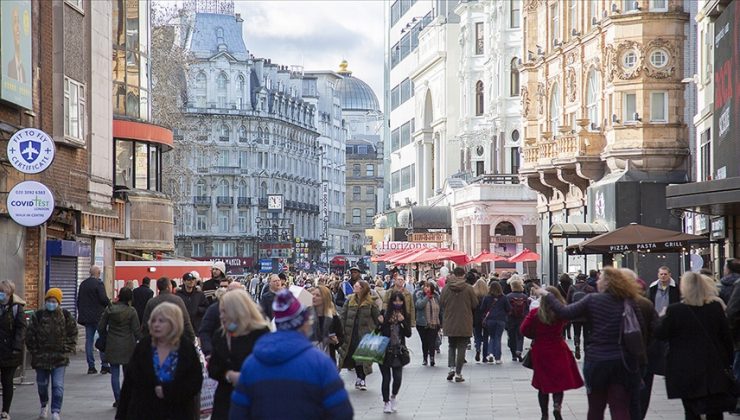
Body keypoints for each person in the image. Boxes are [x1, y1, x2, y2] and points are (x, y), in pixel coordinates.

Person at [531, 267, 647, 420]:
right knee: (619, 406)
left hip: (597, 360)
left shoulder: (592, 299)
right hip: (622, 360)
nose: (597, 281)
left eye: (600, 279)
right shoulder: (628, 301)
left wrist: (547, 295)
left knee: (596, 407)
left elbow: (565, 312)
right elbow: (641, 329)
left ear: (606, 283)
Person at [229, 289, 354, 419]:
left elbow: (237, 413)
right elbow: (342, 412)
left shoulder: (252, 363)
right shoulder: (320, 364)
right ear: (304, 324)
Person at [655, 271, 734, 420]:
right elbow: (726, 337)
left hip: (685, 366)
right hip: (712, 364)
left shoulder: (675, 310)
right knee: (714, 408)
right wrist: (727, 361)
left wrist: (662, 317)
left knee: (690, 409)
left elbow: (660, 334)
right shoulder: (714, 308)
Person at [116, 302, 202, 420]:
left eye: (161, 321)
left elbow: (194, 382)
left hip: (177, 412)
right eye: (154, 320)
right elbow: (128, 385)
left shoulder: (185, 348)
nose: (156, 325)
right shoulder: (144, 346)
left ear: (173, 323)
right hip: (143, 412)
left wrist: (169, 391)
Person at [521, 286, 584, 420]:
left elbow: (523, 330)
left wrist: (535, 335)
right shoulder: (560, 315)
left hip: (541, 349)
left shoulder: (535, 313)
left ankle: (544, 414)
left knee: (542, 383)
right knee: (558, 381)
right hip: (558, 347)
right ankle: (557, 406)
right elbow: (567, 321)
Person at [208, 290, 270, 420]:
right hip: (226, 401)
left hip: (254, 400)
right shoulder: (221, 336)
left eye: (224, 311)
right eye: (221, 312)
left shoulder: (261, 334)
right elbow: (213, 368)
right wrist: (228, 375)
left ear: (237, 310)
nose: (221, 316)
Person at [25, 288, 77, 420]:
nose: (51, 303)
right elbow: (30, 334)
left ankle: (55, 410)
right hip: (41, 358)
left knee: (57, 385)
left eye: (54, 301)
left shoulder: (65, 315)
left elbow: (73, 333)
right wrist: (35, 351)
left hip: (59, 358)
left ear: (59, 302)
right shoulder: (38, 315)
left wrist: (66, 348)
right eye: (49, 300)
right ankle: (44, 405)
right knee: (42, 384)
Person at [97, 287, 140, 408]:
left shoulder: (109, 309)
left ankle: (118, 399)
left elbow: (101, 327)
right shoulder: (131, 311)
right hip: (128, 346)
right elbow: (136, 330)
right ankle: (127, 398)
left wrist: (105, 336)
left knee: (114, 374)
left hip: (112, 344)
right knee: (128, 375)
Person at [338, 280, 381, 391]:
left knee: (363, 357)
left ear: (363, 288)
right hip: (351, 333)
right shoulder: (349, 299)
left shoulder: (370, 302)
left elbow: (377, 318)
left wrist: (378, 331)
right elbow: (343, 315)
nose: (354, 287)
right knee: (354, 356)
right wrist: (340, 330)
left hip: (365, 333)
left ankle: (362, 378)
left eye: (357, 286)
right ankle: (359, 377)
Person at [440, 267, 479, 382]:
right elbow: (475, 304)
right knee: (462, 347)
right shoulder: (468, 288)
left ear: (453, 274)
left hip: (450, 320)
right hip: (465, 321)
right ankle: (458, 373)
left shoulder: (446, 288)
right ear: (464, 275)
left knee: (451, 345)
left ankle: (451, 368)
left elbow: (441, 302)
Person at [378, 291, 412, 414]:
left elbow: (408, 334)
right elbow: (379, 332)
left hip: (398, 351)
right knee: (386, 378)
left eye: (400, 301)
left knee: (397, 378)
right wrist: (381, 323)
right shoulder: (385, 314)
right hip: (384, 350)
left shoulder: (405, 315)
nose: (398, 303)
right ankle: (386, 402)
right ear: (391, 302)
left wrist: (402, 321)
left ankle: (393, 396)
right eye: (395, 301)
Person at [0, 280, 27, 420]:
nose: (1, 295)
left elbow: (21, 329)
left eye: (3, 292)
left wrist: (17, 347)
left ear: (10, 293)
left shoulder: (17, 308)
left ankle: (5, 410)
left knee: (7, 382)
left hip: (10, 351)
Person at [76, 265, 111, 374]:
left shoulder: (83, 284)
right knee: (102, 339)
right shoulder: (99, 284)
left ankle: (91, 366)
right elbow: (103, 299)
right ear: (98, 273)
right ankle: (104, 365)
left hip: (86, 318)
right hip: (98, 317)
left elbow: (79, 300)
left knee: (89, 341)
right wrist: (109, 304)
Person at [140, 277, 195, 343]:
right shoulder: (178, 300)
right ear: (168, 287)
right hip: (175, 341)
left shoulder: (151, 302)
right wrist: (192, 337)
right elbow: (186, 321)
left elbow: (145, 325)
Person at [199, 278, 240, 356]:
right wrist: (208, 351)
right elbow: (205, 331)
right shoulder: (214, 309)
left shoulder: (248, 308)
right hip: (220, 354)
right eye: (221, 287)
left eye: (225, 286)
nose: (223, 289)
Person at [309, 285, 344, 363]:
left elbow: (341, 339)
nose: (313, 297)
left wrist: (336, 341)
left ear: (325, 298)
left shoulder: (334, 318)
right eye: (313, 294)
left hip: (327, 359)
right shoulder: (306, 316)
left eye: (317, 295)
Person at [566, 273, 596, 360]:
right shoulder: (590, 288)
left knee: (576, 332)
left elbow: (568, 301)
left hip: (576, 314)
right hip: (587, 315)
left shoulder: (572, 288)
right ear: (585, 279)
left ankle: (577, 344)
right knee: (586, 334)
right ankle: (586, 351)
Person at [480, 282, 511, 364]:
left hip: (490, 320)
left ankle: (490, 353)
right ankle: (497, 358)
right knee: (498, 338)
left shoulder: (486, 297)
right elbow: (508, 309)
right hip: (501, 320)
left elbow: (482, 309)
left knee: (492, 337)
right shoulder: (504, 298)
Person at [414, 281, 441, 366]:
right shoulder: (419, 295)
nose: (426, 288)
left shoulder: (436, 297)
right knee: (424, 342)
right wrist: (427, 297)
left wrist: (442, 321)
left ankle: (432, 358)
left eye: (428, 287)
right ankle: (425, 358)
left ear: (432, 288)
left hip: (434, 322)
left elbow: (441, 308)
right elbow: (419, 305)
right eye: (425, 287)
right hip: (422, 323)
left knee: (432, 341)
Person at [506, 278, 530, 362]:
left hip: (511, 319)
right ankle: (519, 350)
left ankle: (513, 355)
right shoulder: (525, 297)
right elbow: (527, 309)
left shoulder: (508, 296)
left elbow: (507, 309)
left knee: (511, 337)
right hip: (522, 319)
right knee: (520, 336)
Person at [472, 278, 489, 362]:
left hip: (476, 318)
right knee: (486, 337)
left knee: (477, 335)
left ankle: (478, 348)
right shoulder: (487, 296)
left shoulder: (474, 296)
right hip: (486, 318)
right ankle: (485, 356)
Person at [556, 274, 573, 340]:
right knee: (568, 318)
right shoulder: (570, 286)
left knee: (562, 319)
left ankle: (563, 334)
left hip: (561, 303)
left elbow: (557, 295)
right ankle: (569, 333)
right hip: (568, 303)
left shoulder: (559, 286)